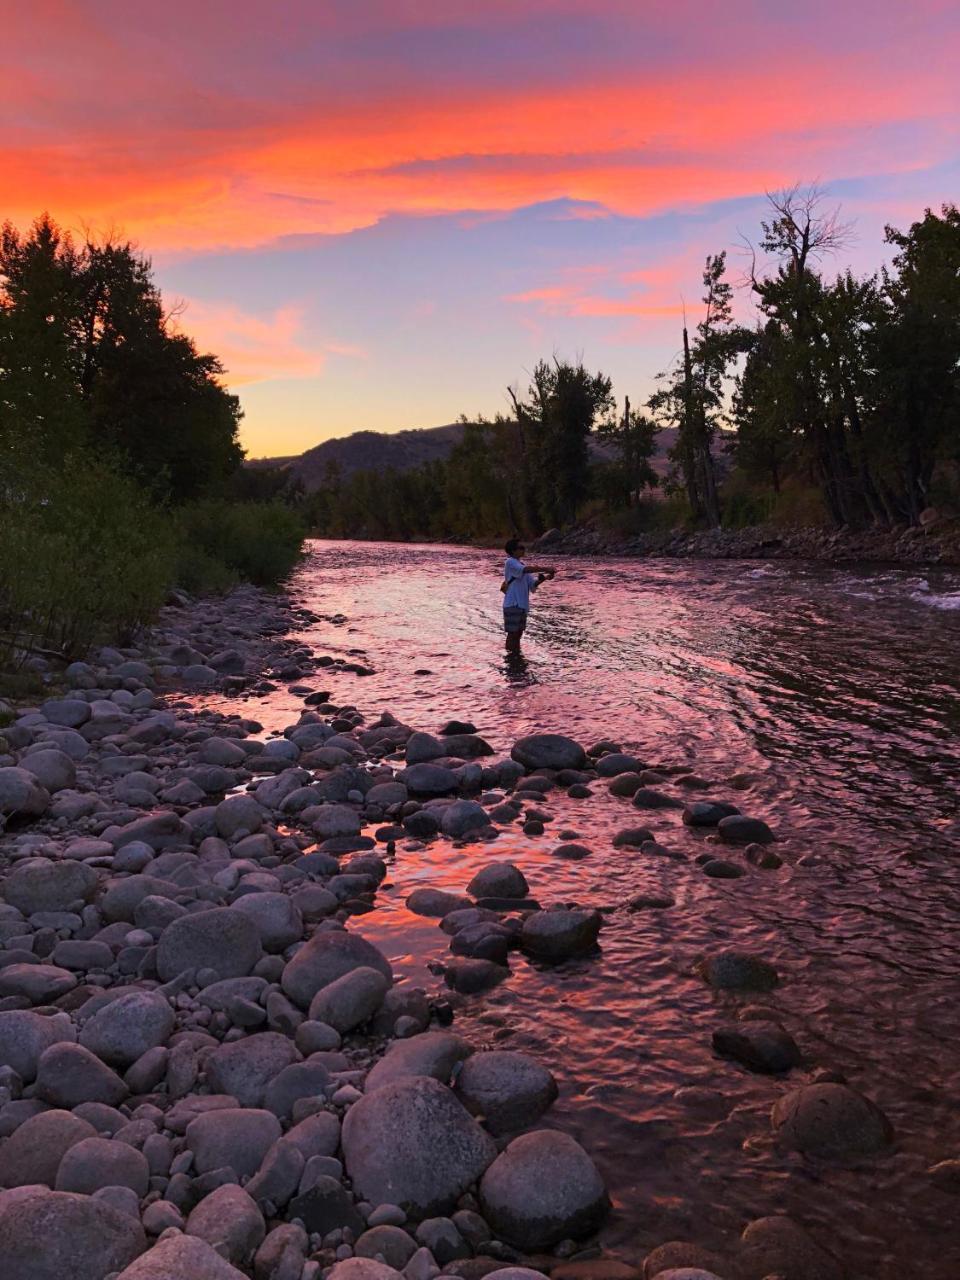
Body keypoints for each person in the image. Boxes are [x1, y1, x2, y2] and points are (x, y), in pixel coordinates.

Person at [501, 537, 556, 653]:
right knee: (513, 633)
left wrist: (545, 578)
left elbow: (532, 585)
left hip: (521, 605)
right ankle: (510, 657)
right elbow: (526, 570)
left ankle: (516, 656)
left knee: (519, 633)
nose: (523, 549)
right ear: (513, 551)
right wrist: (546, 568)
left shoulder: (521, 565)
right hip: (513, 604)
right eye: (520, 548)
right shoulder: (510, 562)